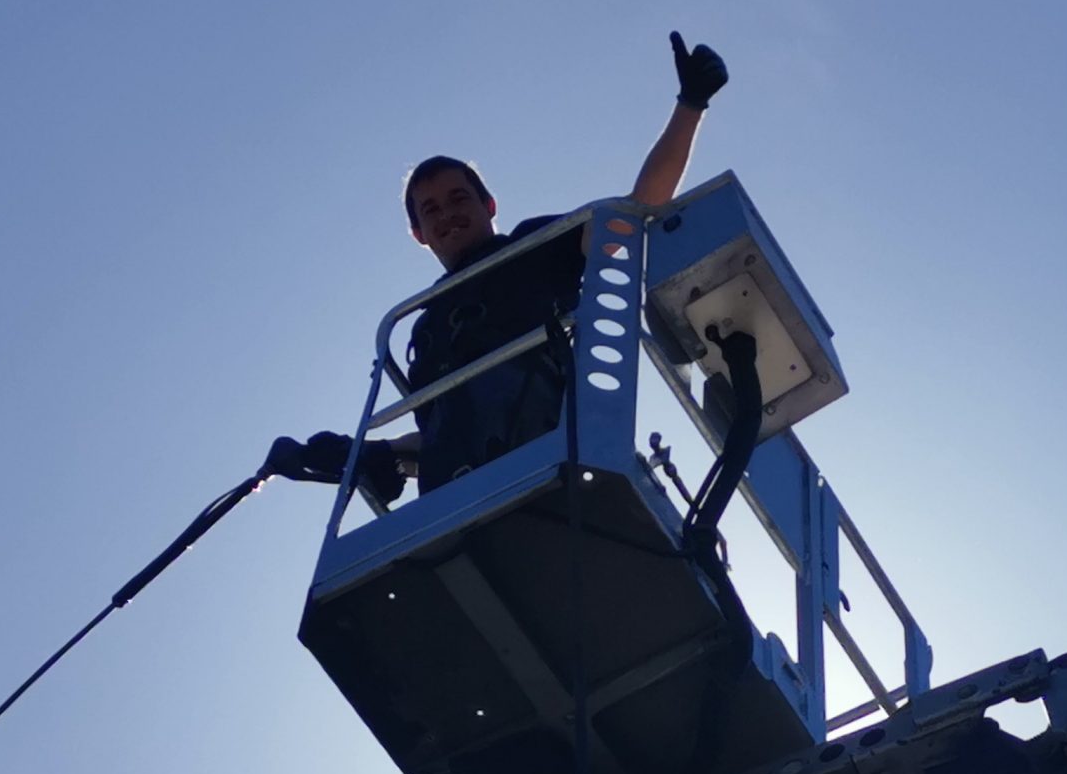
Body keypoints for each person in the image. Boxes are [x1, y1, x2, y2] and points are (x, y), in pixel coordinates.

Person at [268, 32, 728, 502]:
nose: (447, 214)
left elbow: (631, 213)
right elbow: (442, 433)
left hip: (549, 469)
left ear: (489, 205)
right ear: (418, 234)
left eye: (458, 198)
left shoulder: (534, 246)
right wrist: (368, 452)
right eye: (430, 210)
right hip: (456, 506)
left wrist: (690, 105)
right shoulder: (423, 327)